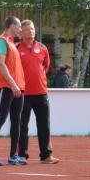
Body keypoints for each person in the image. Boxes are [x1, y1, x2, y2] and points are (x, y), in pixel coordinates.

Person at [0, 16, 27, 166]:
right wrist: (13, 84)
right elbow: (1, 65)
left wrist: (18, 86)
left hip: (18, 88)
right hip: (7, 87)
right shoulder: (1, 41)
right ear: (12, 26)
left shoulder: (12, 43)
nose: (20, 29)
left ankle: (13, 155)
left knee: (16, 121)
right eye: (19, 26)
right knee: (0, 119)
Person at [16, 20, 59, 164]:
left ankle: (46, 155)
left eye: (33, 29)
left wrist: (38, 78)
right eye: (27, 29)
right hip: (23, 94)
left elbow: (46, 66)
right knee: (22, 126)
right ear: (21, 32)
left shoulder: (42, 48)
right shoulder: (16, 48)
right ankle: (21, 155)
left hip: (41, 92)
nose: (31, 31)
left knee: (44, 124)